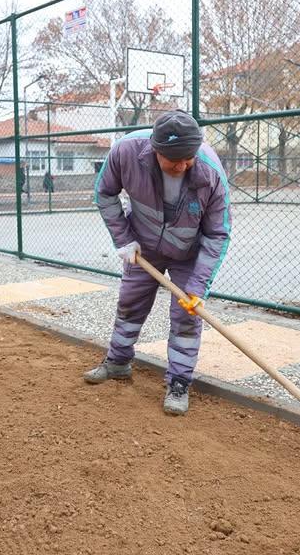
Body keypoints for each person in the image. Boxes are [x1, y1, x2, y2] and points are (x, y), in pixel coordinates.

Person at [84, 110, 231, 415]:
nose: (182, 165)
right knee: (130, 301)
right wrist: (123, 239)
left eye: (187, 158)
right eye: (173, 159)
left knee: (186, 315)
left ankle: (179, 382)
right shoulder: (126, 152)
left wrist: (197, 286)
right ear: (155, 150)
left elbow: (218, 234)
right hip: (143, 245)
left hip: (189, 254)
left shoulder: (210, 172)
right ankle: (118, 362)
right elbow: (104, 193)